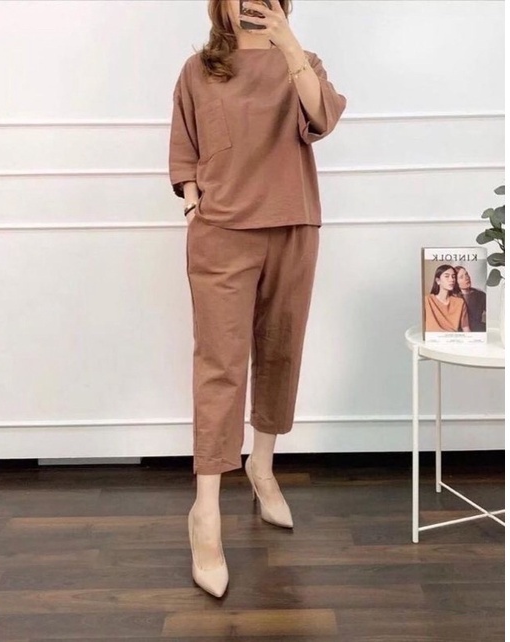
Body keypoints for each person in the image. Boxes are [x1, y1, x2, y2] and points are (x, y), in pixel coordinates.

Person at [169, 0, 346, 597]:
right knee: (220, 366)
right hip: (221, 232)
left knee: (279, 350)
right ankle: (205, 512)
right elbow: (184, 146)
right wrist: (193, 200)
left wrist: (289, 45)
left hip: (293, 224)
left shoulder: (303, 61)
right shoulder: (199, 70)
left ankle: (262, 466)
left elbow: (323, 117)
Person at [424, 264, 471, 333]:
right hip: (433, 338)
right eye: (447, 276)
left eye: (453, 277)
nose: (451, 279)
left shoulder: (460, 302)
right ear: (438, 281)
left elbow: (465, 327)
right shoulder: (427, 300)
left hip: (452, 338)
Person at [454, 266, 487, 332]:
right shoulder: (453, 298)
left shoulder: (480, 295)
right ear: (456, 282)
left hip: (478, 330)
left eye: (466, 274)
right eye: (461, 277)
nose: (466, 278)